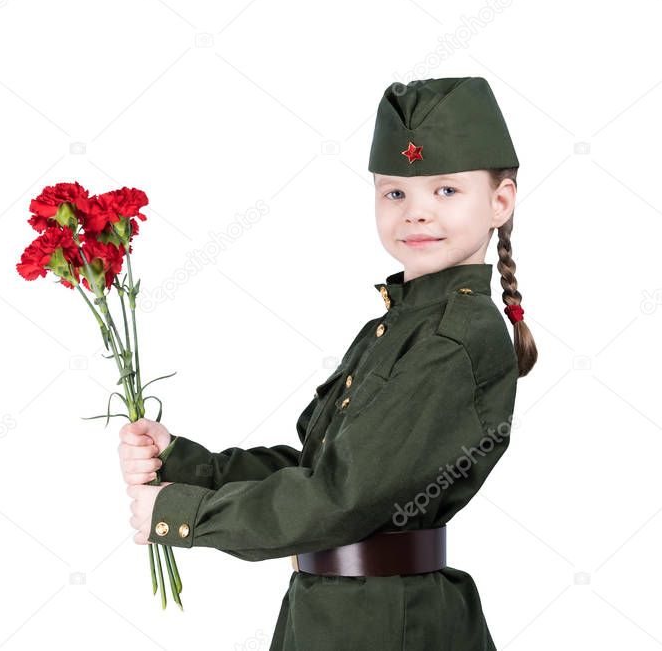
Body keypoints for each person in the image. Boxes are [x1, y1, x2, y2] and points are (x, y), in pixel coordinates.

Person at [119, 76, 538, 649]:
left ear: (500, 201)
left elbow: (344, 497)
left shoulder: (455, 337)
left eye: (445, 191)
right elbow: (316, 468)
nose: (416, 213)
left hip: (387, 622)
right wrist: (185, 464)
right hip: (332, 612)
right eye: (396, 193)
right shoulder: (396, 324)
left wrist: (183, 514)